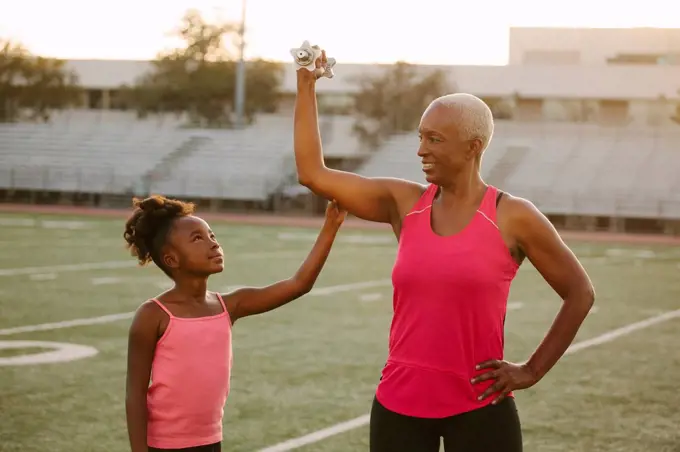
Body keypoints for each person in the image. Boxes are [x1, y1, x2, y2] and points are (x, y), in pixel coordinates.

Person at [293, 51, 595, 452]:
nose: (421, 149)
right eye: (421, 136)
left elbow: (580, 293)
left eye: (434, 139)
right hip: (398, 404)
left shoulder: (513, 216)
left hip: (480, 407)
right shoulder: (403, 203)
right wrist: (305, 85)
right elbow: (313, 174)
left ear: (473, 147)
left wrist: (532, 370)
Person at [123, 195, 346, 452]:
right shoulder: (153, 315)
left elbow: (299, 284)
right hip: (163, 446)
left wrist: (331, 225)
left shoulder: (229, 305)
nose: (213, 244)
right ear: (172, 259)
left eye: (212, 236)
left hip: (210, 441)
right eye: (197, 238)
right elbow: (135, 395)